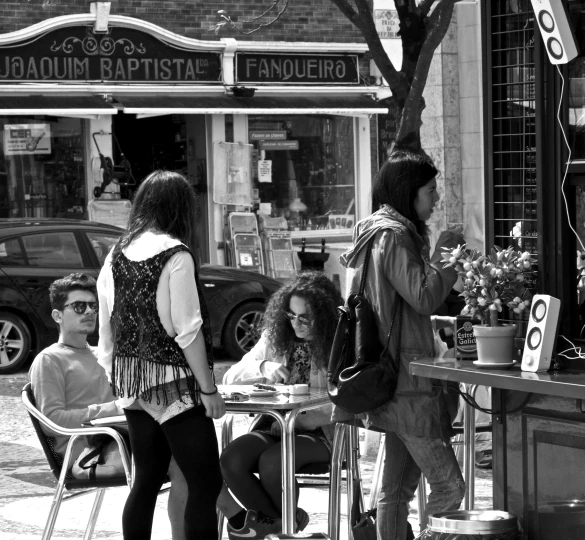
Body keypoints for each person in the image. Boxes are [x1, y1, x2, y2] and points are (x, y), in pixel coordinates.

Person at [337, 149, 466, 540]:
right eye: (430, 190)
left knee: (395, 491)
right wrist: (448, 252)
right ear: (409, 192)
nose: (436, 198)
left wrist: (436, 323)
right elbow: (423, 295)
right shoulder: (392, 236)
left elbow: (400, 306)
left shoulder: (384, 232)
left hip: (396, 377)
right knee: (450, 487)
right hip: (407, 383)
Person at [97, 170, 224, 540]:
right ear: (180, 209)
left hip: (131, 383)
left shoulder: (115, 252)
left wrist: (115, 376)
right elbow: (188, 330)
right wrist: (209, 389)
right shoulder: (176, 253)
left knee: (146, 482)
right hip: (173, 384)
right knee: (206, 483)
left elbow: (107, 325)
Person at [29, 273, 189, 538]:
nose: (90, 311)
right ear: (58, 315)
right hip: (87, 453)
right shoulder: (49, 360)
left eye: (93, 306)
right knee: (186, 460)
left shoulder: (100, 355)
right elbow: (53, 420)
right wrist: (114, 408)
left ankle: (238, 520)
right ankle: (239, 520)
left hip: (118, 439)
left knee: (193, 449)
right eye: (79, 306)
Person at [219, 271, 342, 540]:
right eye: (291, 315)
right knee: (231, 459)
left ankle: (281, 527)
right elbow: (230, 376)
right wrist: (264, 366)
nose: (296, 323)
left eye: (305, 317)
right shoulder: (277, 336)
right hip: (274, 425)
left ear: (324, 314)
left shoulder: (339, 342)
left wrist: (301, 417)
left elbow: (344, 401)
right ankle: (286, 526)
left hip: (322, 433)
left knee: (274, 462)